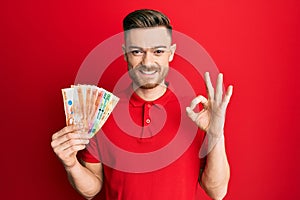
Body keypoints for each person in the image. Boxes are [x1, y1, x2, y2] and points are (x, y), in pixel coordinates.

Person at [51, 9, 233, 200]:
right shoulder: (102, 111)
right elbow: (92, 189)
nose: (147, 62)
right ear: (125, 54)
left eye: (158, 51)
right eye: (137, 51)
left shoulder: (197, 113)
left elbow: (217, 192)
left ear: (171, 53)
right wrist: (71, 164)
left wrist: (215, 135)